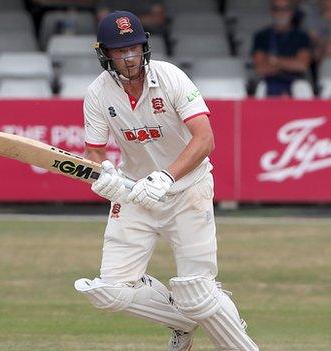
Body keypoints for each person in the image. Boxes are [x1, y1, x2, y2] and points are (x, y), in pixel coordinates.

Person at [73, 10, 259, 351]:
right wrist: (105, 178)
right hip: (134, 194)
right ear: (105, 54)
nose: (128, 57)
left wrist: (166, 175)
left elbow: (205, 139)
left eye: (133, 48)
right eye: (119, 50)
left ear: (144, 47)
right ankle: (182, 324)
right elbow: (94, 154)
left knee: (197, 292)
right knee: (108, 292)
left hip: (187, 190)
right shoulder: (98, 93)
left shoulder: (171, 77)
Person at [252, 0, 312, 96]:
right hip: (268, 81)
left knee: (302, 87)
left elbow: (302, 65)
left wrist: (274, 61)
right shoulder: (261, 36)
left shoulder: (302, 36)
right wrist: (289, 64)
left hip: (295, 81)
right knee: (261, 87)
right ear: (271, 11)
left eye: (285, 9)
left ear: (292, 11)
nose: (281, 13)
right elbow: (260, 68)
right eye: (277, 9)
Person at [96, 0, 167, 34]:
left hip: (149, 36)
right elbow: (103, 20)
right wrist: (138, 21)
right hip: (116, 36)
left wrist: (123, 22)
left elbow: (158, 19)